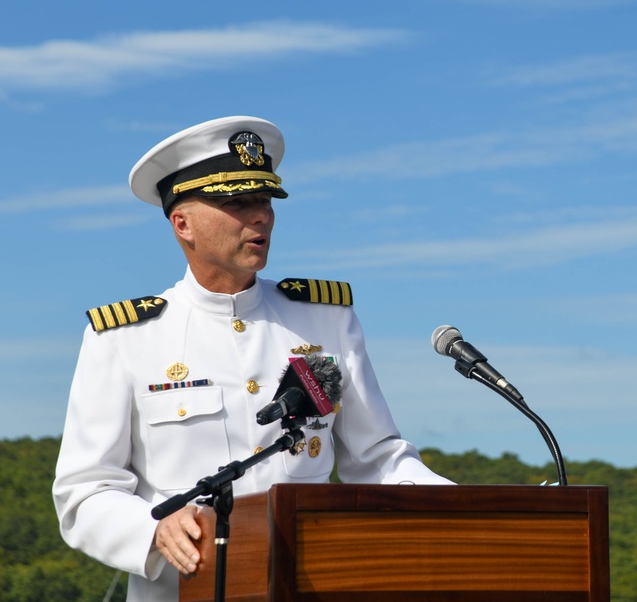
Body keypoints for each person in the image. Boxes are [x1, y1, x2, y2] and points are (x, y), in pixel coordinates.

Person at [52, 116, 451, 602]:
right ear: (183, 224)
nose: (260, 217)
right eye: (237, 203)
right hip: (185, 589)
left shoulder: (324, 321)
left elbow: (378, 462)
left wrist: (464, 507)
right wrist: (152, 529)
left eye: (264, 201)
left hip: (311, 586)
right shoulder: (124, 338)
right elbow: (85, 490)